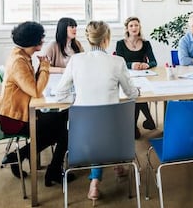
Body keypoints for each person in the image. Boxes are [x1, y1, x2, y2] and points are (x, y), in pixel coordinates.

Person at [55, 20, 140, 204]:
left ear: (88, 38)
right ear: (107, 39)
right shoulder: (117, 61)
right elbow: (132, 94)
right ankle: (110, 170)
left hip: (81, 133)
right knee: (105, 125)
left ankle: (97, 180)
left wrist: (78, 100)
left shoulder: (76, 60)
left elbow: (60, 95)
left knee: (96, 126)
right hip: (114, 132)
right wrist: (138, 90)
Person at [0, 21, 72, 187]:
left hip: (21, 111)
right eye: (41, 37)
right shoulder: (18, 61)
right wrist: (45, 65)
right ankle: (49, 170)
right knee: (63, 131)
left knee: (63, 120)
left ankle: (19, 156)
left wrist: (42, 68)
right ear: (34, 41)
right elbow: (36, 91)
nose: (43, 40)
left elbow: (32, 85)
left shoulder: (22, 55)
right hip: (14, 118)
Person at [115, 16, 157, 139]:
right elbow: (119, 62)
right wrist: (132, 65)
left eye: (136, 25)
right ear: (127, 29)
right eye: (131, 26)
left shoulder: (146, 43)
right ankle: (148, 120)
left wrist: (147, 64)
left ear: (139, 27)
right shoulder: (120, 44)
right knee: (137, 93)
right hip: (126, 77)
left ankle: (134, 125)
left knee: (139, 93)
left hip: (143, 76)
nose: (134, 28)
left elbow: (154, 61)